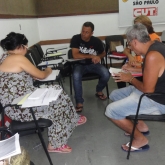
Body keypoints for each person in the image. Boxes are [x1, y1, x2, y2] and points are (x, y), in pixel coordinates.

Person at [0, 32, 87, 153]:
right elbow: (41, 75)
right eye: (26, 47)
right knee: (57, 105)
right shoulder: (18, 58)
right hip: (20, 108)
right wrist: (48, 70)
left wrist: (31, 76)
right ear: (21, 46)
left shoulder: (5, 57)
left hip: (18, 103)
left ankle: (72, 119)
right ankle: (55, 144)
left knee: (58, 91)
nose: (27, 49)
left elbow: (16, 77)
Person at [105, 23, 165, 152]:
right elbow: (154, 71)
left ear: (135, 42)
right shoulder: (156, 46)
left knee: (111, 111)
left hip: (158, 99)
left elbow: (148, 90)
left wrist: (130, 79)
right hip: (156, 91)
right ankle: (140, 125)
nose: (130, 48)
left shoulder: (152, 56)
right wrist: (134, 68)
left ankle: (140, 139)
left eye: (130, 44)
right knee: (115, 95)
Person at [70, 22, 110, 112]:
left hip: (93, 65)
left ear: (92, 33)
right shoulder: (76, 38)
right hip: (79, 65)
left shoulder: (96, 41)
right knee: (76, 75)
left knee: (106, 73)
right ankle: (79, 101)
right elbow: (75, 55)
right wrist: (92, 56)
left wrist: (99, 57)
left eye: (87, 32)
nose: (83, 34)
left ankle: (99, 90)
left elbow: (103, 52)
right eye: (83, 31)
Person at [117, 15, 161, 89]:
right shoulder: (136, 37)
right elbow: (126, 49)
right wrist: (130, 56)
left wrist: (136, 66)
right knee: (120, 74)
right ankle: (125, 91)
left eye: (139, 26)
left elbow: (150, 64)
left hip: (143, 65)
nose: (136, 28)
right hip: (136, 64)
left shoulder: (154, 39)